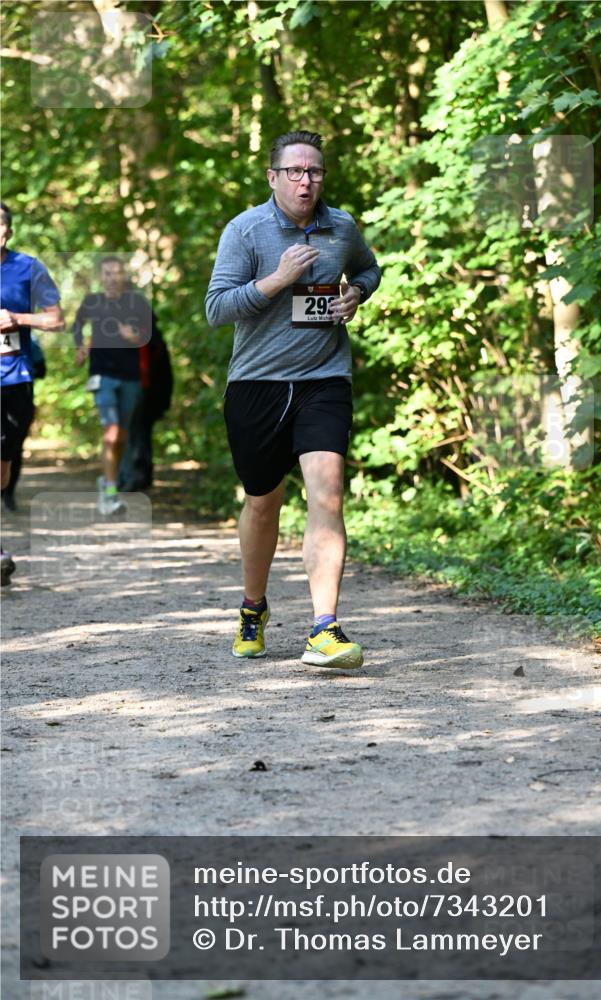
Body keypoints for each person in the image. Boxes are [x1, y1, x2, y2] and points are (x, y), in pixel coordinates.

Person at [205, 130, 381, 669]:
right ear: (273, 177)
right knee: (263, 503)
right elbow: (217, 308)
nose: (307, 181)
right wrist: (277, 281)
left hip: (324, 380)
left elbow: (369, 269)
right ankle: (252, 608)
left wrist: (357, 293)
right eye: (296, 172)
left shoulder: (341, 226)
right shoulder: (246, 230)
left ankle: (324, 627)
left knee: (327, 493)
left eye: (316, 172)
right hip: (257, 384)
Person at [0, 202, 64, 585]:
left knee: (3, 463)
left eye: (2, 223)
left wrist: (17, 319)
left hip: (11, 378)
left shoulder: (28, 268)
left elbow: (56, 319)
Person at [73, 256, 151, 516]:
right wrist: (80, 346)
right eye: (107, 273)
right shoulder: (92, 301)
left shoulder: (137, 302)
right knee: (112, 432)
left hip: (130, 376)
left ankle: (107, 481)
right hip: (102, 375)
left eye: (117, 273)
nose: (112, 277)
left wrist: (136, 336)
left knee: (122, 437)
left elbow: (148, 334)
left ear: (123, 276)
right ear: (101, 276)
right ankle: (109, 493)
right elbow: (77, 324)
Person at [117, 310, 172, 491]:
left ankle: (132, 478)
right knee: (140, 433)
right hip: (148, 394)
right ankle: (140, 477)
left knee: (133, 433)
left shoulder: (141, 338)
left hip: (140, 392)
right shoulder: (154, 338)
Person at [2, 333, 47, 512]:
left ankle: (9, 494)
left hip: (19, 399)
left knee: (12, 450)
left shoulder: (29, 339)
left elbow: (42, 370)